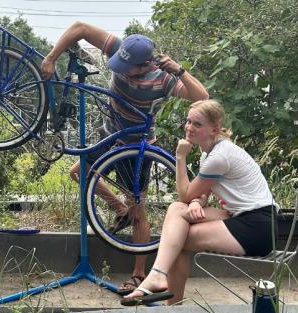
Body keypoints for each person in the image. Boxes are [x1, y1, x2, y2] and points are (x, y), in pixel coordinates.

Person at [41, 21, 209, 294]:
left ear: (144, 65)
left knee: (138, 207)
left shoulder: (162, 78)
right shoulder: (122, 50)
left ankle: (139, 275)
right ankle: (120, 210)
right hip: (110, 134)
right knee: (77, 172)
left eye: (127, 68)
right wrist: (51, 58)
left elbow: (201, 97)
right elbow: (80, 28)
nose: (119, 69)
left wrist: (178, 69)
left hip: (137, 146)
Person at [121, 99, 278, 306]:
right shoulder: (209, 154)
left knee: (177, 240)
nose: (189, 127)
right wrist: (196, 202)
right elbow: (198, 194)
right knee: (177, 211)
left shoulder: (220, 156)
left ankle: (166, 292)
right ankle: (163, 287)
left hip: (258, 227)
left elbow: (184, 193)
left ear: (214, 129)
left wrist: (180, 157)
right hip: (243, 216)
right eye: (188, 122)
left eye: (197, 124)